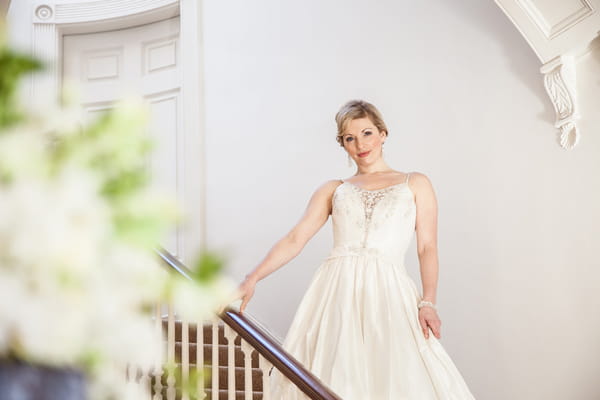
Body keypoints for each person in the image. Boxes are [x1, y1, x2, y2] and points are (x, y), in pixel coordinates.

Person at [237, 100, 476, 399]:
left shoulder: (415, 183)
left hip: (389, 291)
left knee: (397, 373)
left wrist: (429, 302)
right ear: (343, 144)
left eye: (366, 133)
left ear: (383, 133)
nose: (360, 144)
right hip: (336, 291)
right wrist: (253, 277)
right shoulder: (333, 189)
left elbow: (427, 247)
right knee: (334, 374)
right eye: (350, 138)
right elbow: (295, 238)